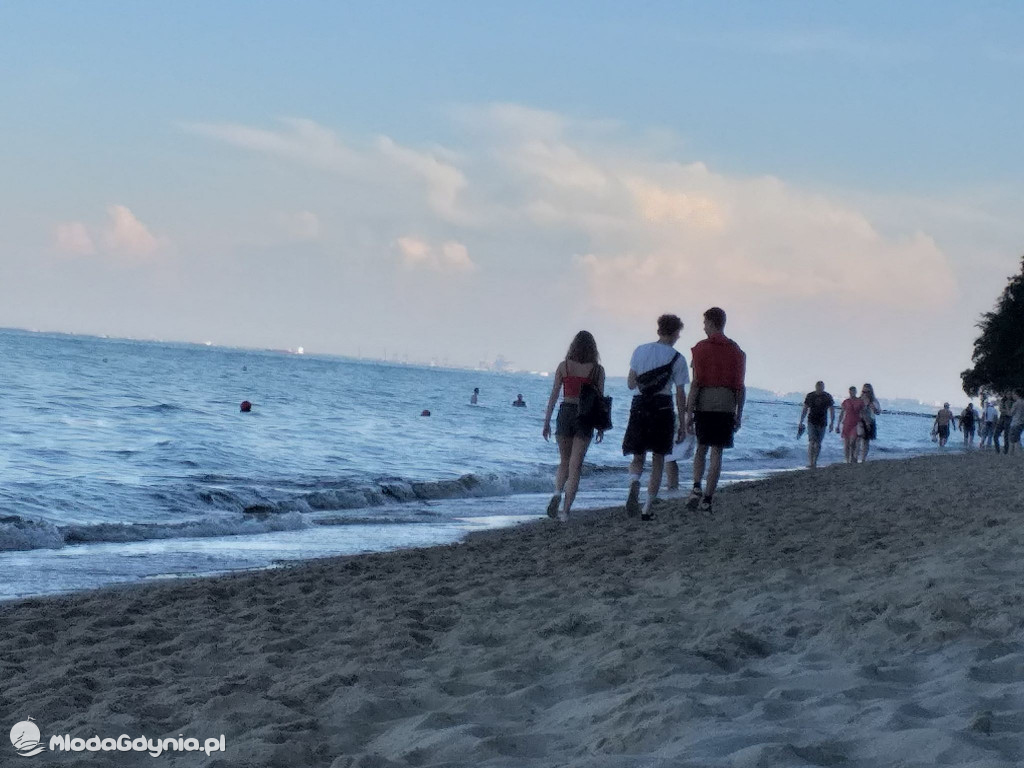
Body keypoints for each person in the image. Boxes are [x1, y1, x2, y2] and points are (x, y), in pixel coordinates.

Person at [622, 314, 689, 521]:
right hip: (663, 407)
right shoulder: (678, 358)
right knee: (659, 458)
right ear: (676, 333)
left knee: (638, 456)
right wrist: (683, 423)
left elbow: (631, 384)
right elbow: (680, 393)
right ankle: (647, 508)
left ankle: (634, 482)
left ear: (659, 330)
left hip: (639, 405)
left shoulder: (640, 350)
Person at [684, 307, 745, 514]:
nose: (703, 327)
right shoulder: (736, 351)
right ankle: (708, 500)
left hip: (705, 403)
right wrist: (739, 413)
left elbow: (696, 383)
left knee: (701, 447)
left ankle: (696, 487)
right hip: (726, 404)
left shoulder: (700, 348)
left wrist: (688, 412)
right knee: (717, 452)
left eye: (704, 323)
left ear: (711, 322)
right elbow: (740, 386)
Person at [542, 331, 605, 521]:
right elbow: (600, 400)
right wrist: (601, 427)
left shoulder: (564, 366)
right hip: (585, 416)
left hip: (565, 412)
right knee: (575, 465)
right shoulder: (597, 370)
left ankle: (556, 493)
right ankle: (566, 512)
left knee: (564, 461)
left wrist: (546, 422)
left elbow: (554, 395)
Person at [798, 381, 835, 468]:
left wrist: (832, 423)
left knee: (818, 443)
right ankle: (811, 462)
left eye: (821, 387)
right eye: (818, 387)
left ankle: (815, 461)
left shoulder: (827, 396)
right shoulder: (810, 396)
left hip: (822, 422)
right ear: (816, 387)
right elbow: (805, 408)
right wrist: (801, 421)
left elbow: (832, 410)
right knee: (812, 441)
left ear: (823, 387)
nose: (820, 389)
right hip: (811, 421)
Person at [836, 386, 863, 464]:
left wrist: (863, 423)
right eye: (851, 391)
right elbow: (842, 413)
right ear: (849, 392)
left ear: (856, 392)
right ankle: (847, 460)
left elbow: (863, 412)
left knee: (853, 442)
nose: (852, 393)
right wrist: (838, 425)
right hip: (847, 423)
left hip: (856, 423)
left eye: (853, 391)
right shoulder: (846, 402)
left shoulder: (860, 401)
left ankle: (853, 457)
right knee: (846, 443)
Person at [857, 383, 881, 462]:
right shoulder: (859, 400)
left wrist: (872, 406)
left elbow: (878, 412)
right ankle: (855, 457)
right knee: (857, 439)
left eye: (867, 392)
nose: (865, 394)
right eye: (864, 392)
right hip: (860, 420)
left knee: (866, 441)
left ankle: (863, 458)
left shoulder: (874, 401)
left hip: (870, 420)